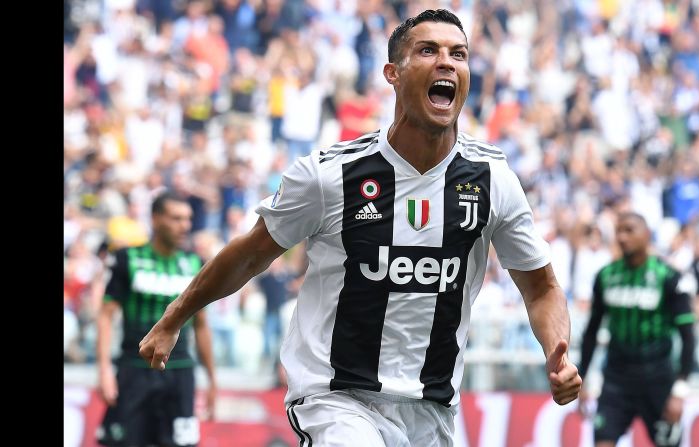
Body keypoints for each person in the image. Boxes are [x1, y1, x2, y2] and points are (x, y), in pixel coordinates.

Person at [139, 9, 581, 446]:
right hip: (336, 398)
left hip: (431, 409)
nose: (446, 62)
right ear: (393, 72)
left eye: (458, 54)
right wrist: (175, 316)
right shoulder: (331, 176)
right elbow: (252, 253)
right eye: (428, 50)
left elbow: (540, 287)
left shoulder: (492, 180)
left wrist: (556, 352)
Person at [96, 192, 217, 447]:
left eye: (188, 219)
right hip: (133, 371)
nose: (185, 225)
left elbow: (202, 324)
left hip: (180, 374)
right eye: (176, 218)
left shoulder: (196, 263)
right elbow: (105, 317)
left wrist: (212, 380)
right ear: (155, 219)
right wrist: (104, 370)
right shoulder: (126, 258)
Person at [578, 212, 696, 447]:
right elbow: (591, 332)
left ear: (647, 235)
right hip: (616, 379)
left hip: (658, 379)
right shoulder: (605, 276)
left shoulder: (670, 277)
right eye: (619, 231)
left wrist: (680, 391)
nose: (622, 237)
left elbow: (688, 336)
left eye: (629, 230)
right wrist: (582, 378)